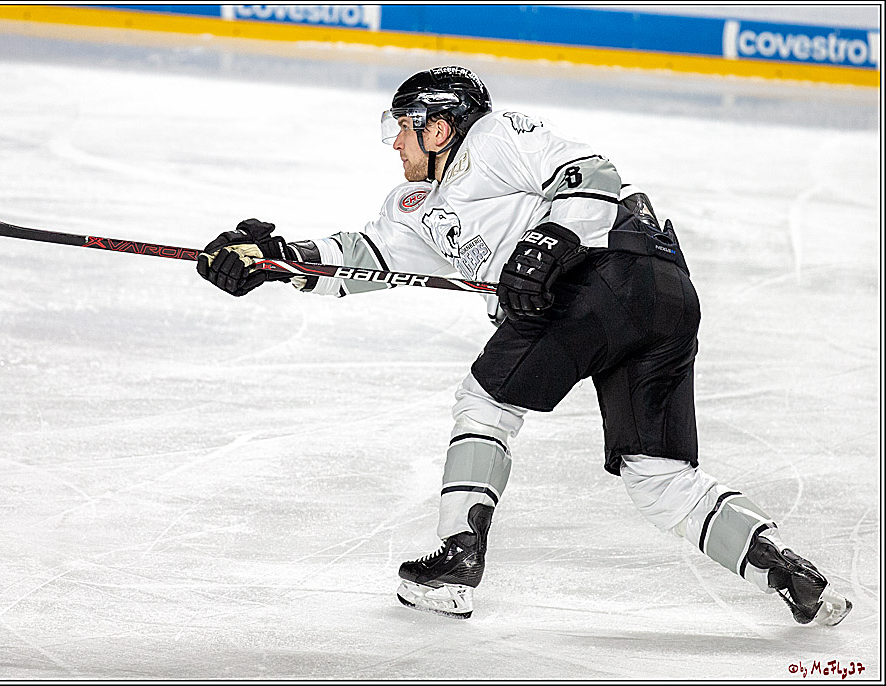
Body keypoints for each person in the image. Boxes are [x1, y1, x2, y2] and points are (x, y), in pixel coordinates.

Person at [195, 66, 852, 625]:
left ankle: (457, 559)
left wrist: (550, 244)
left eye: (404, 125)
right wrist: (276, 260)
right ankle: (788, 574)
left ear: (441, 126)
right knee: (659, 479)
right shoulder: (417, 205)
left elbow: (590, 171)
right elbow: (363, 259)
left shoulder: (496, 137)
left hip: (609, 276)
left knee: (484, 405)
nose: (395, 140)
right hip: (659, 299)